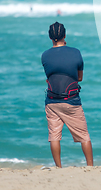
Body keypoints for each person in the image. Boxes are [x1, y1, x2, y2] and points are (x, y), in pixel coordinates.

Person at [41, 22, 93, 168]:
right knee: (84, 136)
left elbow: (50, 75)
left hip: (52, 100)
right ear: (65, 35)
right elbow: (79, 77)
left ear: (50, 37)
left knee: (54, 136)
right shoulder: (75, 52)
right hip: (71, 100)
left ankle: (58, 167)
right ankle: (90, 166)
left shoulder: (45, 55)